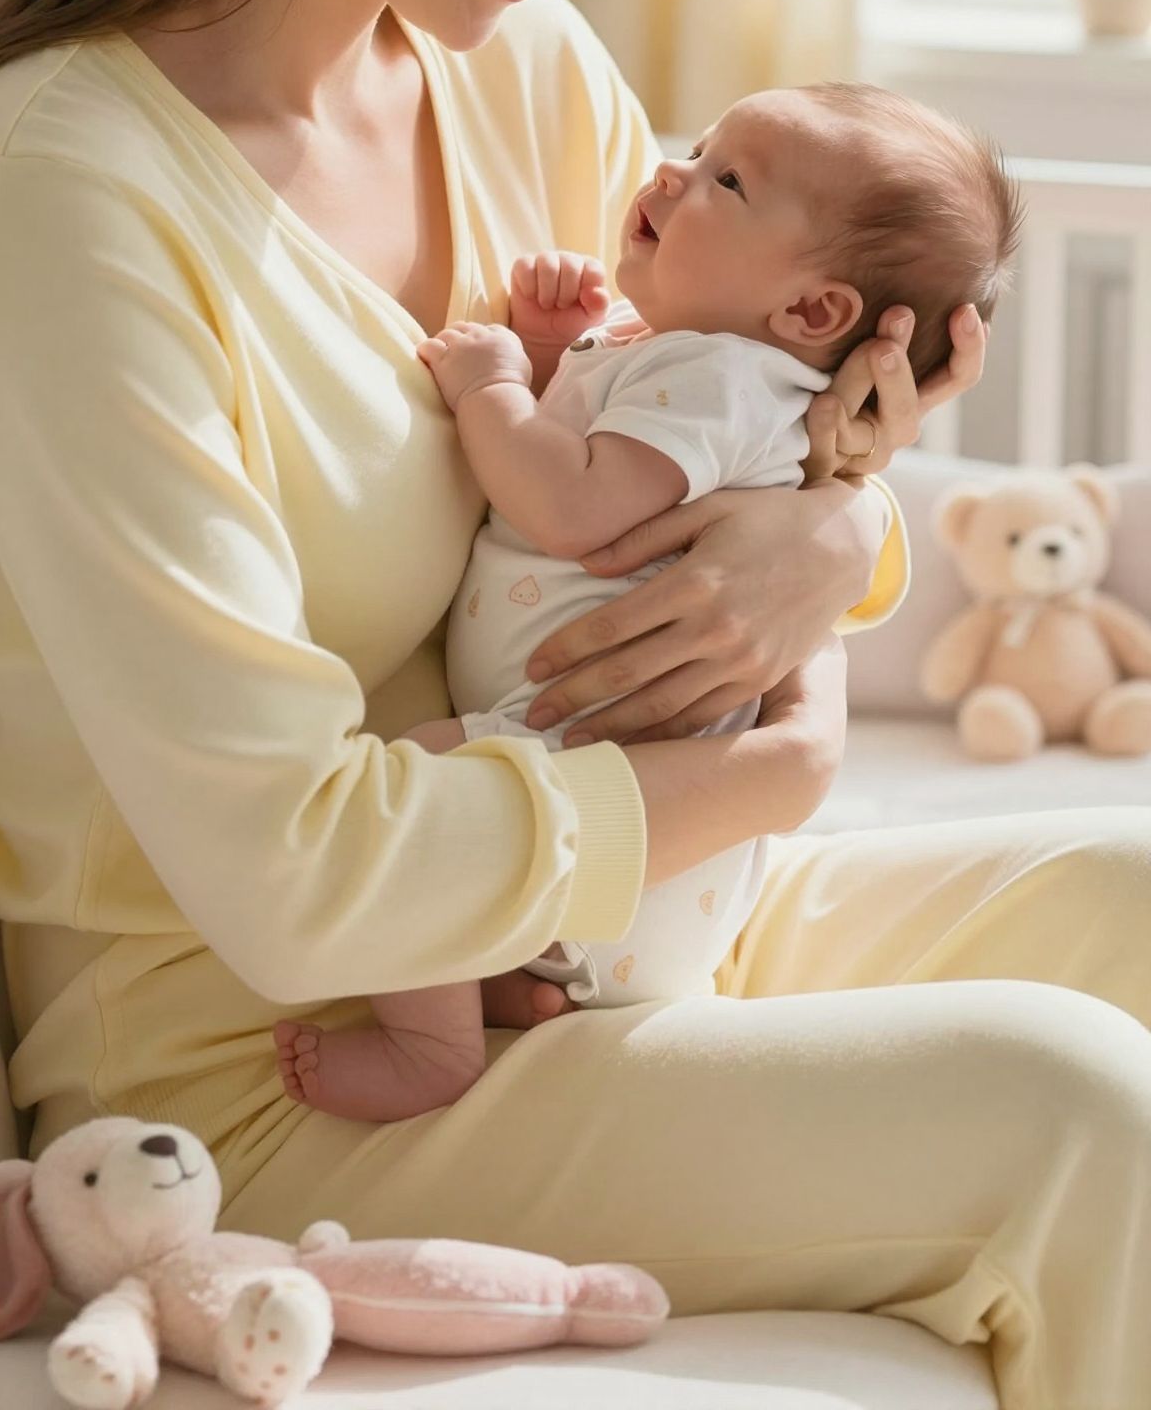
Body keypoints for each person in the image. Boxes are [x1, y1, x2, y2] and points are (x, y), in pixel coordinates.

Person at [0, 0, 1147, 1410]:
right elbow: (294, 872)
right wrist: (771, 770)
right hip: (273, 1061)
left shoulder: (511, 69)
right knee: (1068, 1112)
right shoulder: (68, 197)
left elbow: (743, 413)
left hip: (599, 931)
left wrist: (838, 527)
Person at [277, 82, 1023, 1116]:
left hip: (602, 769)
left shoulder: (718, 378)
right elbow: (601, 461)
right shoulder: (683, 352)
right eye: (701, 144)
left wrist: (493, 385)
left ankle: (430, 1046)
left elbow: (571, 504)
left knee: (425, 782)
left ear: (811, 312)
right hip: (639, 823)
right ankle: (498, 981)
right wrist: (556, 351)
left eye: (727, 178)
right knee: (442, 800)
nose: (672, 171)